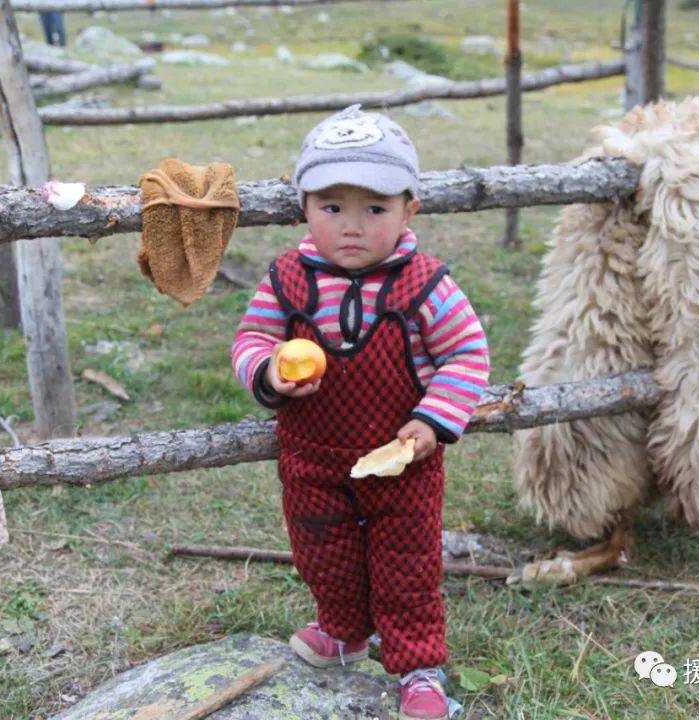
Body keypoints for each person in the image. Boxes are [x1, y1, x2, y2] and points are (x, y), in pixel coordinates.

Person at [232, 105, 490, 720]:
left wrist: (432, 422)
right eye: (332, 207)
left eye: (374, 209)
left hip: (402, 463)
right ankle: (344, 631)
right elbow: (250, 341)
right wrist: (268, 371)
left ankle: (419, 668)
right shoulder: (287, 281)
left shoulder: (425, 285)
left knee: (406, 566)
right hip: (312, 458)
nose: (352, 227)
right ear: (304, 208)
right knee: (323, 552)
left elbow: (467, 354)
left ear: (409, 210)